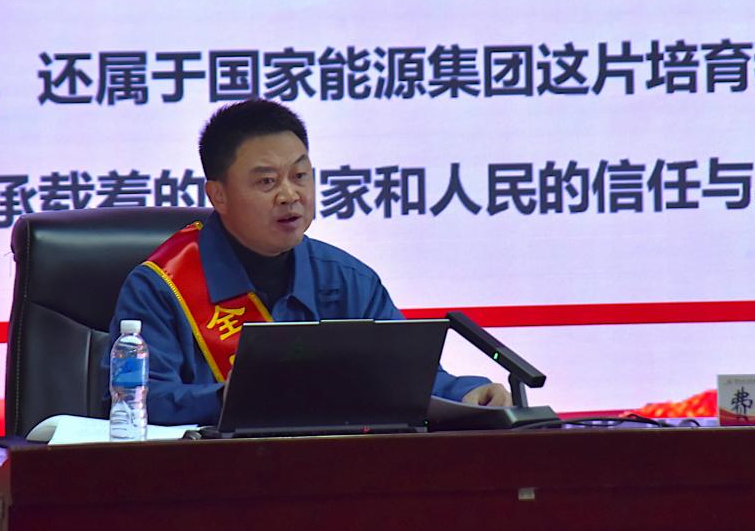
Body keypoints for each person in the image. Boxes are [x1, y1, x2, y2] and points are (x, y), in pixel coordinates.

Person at [108, 99, 512, 425]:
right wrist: (224, 398)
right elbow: (137, 399)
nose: (290, 195)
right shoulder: (160, 287)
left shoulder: (348, 280)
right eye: (267, 181)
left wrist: (467, 394)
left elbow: (409, 377)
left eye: (300, 175)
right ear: (219, 196)